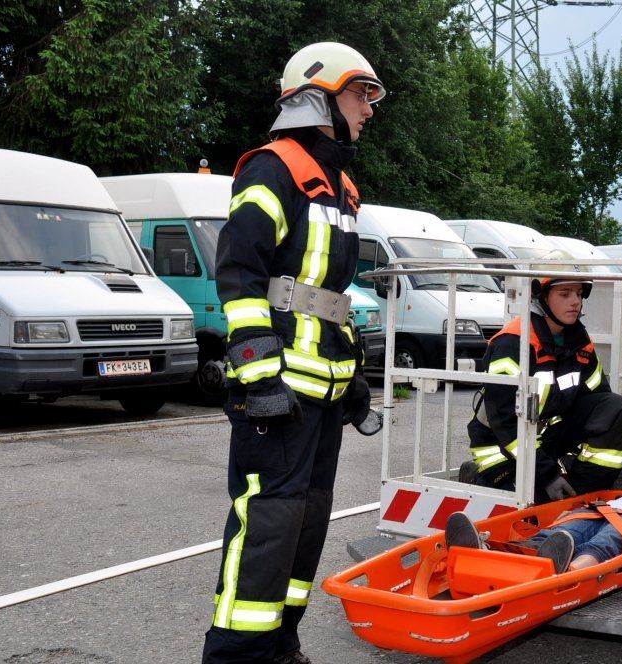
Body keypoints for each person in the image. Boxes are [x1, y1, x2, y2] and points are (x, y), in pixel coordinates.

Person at [202, 42, 385, 664]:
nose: (368, 109)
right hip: (277, 391)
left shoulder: (341, 187)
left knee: (307, 524)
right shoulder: (272, 170)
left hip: (321, 392)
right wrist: (258, 378)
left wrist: (351, 373)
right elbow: (240, 276)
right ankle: (236, 656)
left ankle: (281, 645)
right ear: (317, 97)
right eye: (359, 95)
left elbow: (325, 296)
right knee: (269, 527)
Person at [463, 263, 622, 502]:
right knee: (533, 501)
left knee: (615, 405)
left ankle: (580, 496)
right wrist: (547, 475)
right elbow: (505, 422)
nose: (575, 301)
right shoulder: (513, 344)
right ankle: (480, 477)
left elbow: (606, 410)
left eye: (579, 294)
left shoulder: (579, 342)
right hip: (502, 448)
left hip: (545, 443)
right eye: (565, 294)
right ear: (541, 296)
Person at [446, 470, 622, 573]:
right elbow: (604, 502)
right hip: (601, 512)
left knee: (608, 541)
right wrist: (571, 513)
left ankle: (572, 572)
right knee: (561, 534)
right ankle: (488, 552)